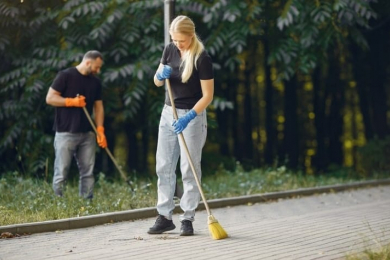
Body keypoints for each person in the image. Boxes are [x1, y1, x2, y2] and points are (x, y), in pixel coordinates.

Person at [148, 15, 214, 236]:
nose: (177, 45)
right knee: (164, 166)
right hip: (168, 113)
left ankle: (187, 218)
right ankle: (165, 216)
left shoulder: (202, 58)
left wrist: (188, 117)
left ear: (191, 35)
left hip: (192, 116)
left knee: (189, 168)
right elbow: (157, 81)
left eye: (181, 41)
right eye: (174, 40)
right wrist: (159, 74)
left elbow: (208, 96)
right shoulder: (169, 49)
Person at [46, 50, 107, 199]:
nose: (98, 70)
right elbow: (50, 98)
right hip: (65, 132)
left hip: (87, 134)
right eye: (96, 67)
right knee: (61, 170)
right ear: (88, 62)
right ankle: (57, 203)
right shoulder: (65, 76)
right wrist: (70, 101)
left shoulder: (95, 82)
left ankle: (87, 204)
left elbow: (98, 107)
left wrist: (100, 129)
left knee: (88, 172)